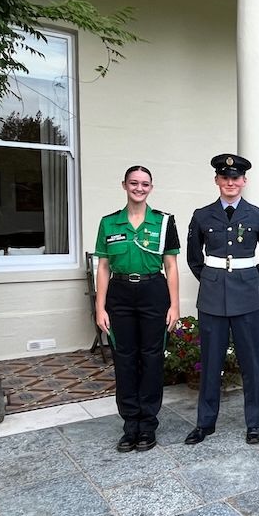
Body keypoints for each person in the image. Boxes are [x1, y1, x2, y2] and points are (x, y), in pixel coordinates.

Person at [184, 153, 259, 445]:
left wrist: (247, 281)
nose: (230, 182)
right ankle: (205, 423)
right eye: (224, 178)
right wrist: (213, 280)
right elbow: (193, 258)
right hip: (212, 298)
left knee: (251, 362)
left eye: (235, 178)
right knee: (211, 363)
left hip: (246, 297)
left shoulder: (258, 215)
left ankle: (253, 423)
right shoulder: (201, 215)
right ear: (217, 181)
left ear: (244, 181)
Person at [94, 165, 180, 453]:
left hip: (153, 291)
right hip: (119, 295)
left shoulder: (165, 222)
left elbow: (171, 265)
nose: (139, 188)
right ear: (124, 185)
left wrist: (175, 305)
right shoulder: (109, 223)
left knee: (152, 357)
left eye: (145, 184)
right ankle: (130, 425)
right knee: (125, 358)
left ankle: (148, 424)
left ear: (151, 188)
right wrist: (100, 306)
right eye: (134, 183)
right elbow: (103, 267)